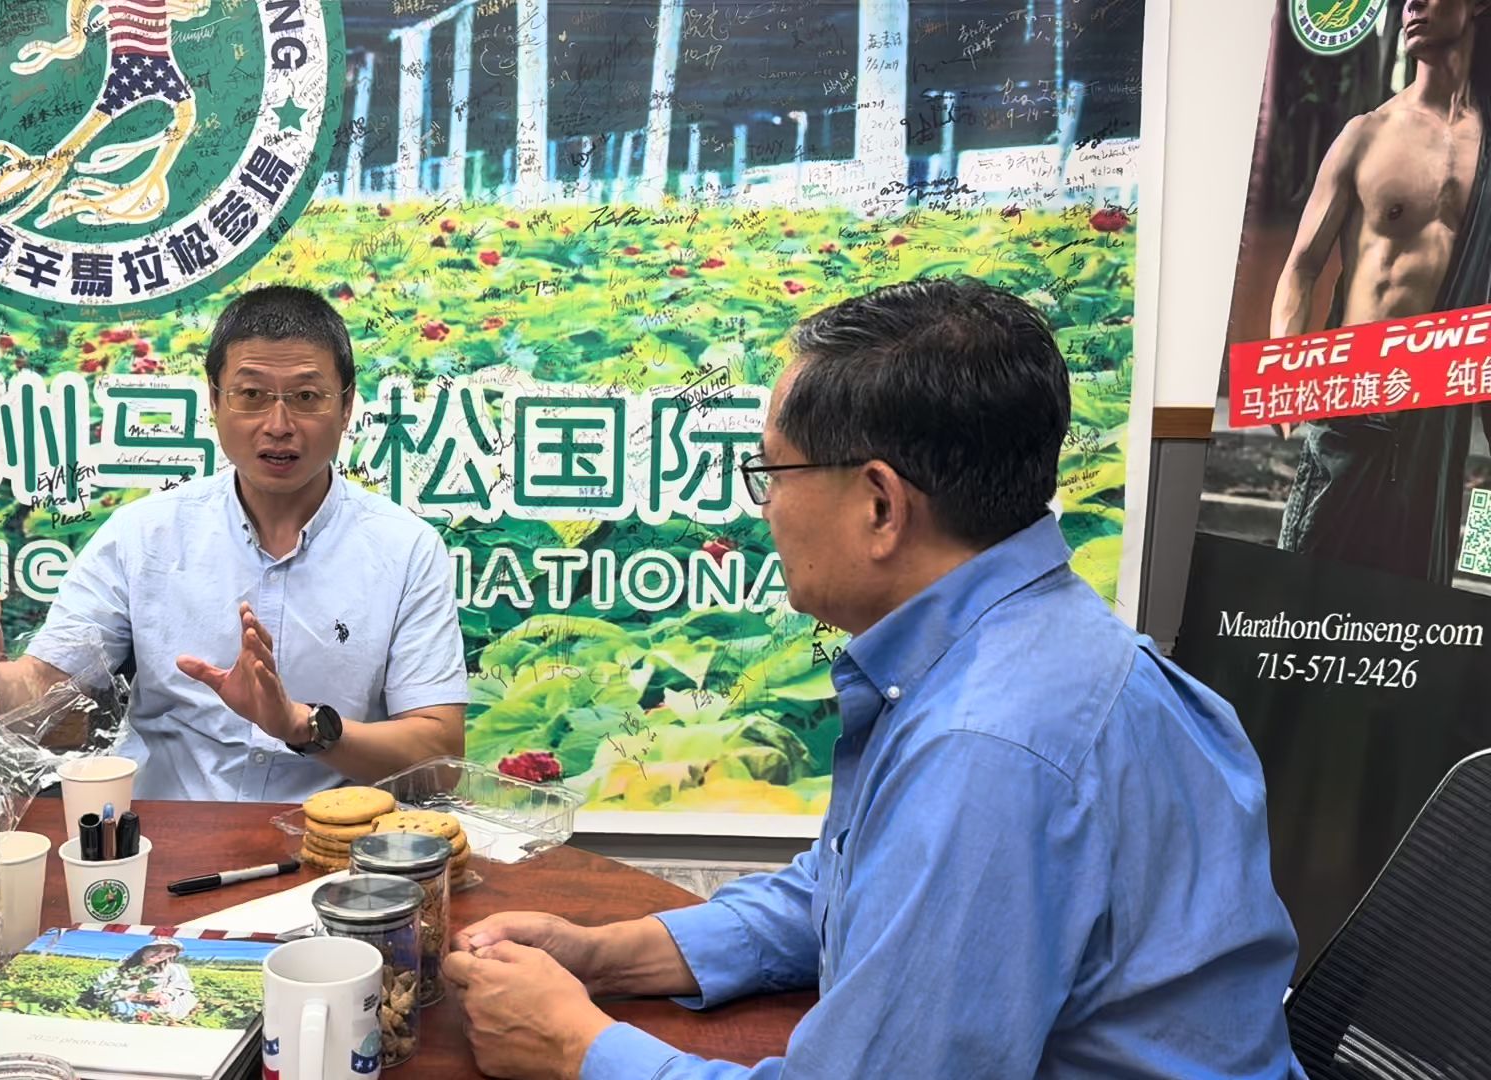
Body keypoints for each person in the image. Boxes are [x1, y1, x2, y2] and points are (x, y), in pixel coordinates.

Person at [443, 279, 1306, 1079]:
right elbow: (849, 889)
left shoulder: (989, 751)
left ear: (881, 505)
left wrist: (575, 1046)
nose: (765, 509)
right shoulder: (1020, 649)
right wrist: (606, 955)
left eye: (771, 473)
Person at [0, 286, 468, 800]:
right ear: (215, 400)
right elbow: (46, 681)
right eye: (252, 395)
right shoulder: (143, 534)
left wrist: (301, 725)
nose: (278, 425)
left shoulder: (406, 550)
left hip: (329, 833)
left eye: (307, 397)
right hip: (167, 830)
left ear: (346, 405)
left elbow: (440, 758)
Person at [1274, 0, 1491, 582]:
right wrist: (1287, 377)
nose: (1412, 4)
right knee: (1300, 601)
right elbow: (1301, 267)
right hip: (1353, 412)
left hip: (1436, 434)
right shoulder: (1366, 135)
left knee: (1411, 614)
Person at [83, 938, 198, 1022]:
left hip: (164, 1007)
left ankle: (157, 1018)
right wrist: (137, 997)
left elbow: (182, 987)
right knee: (118, 1007)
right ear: (144, 950)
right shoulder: (116, 972)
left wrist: (163, 995)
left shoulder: (174, 969)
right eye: (156, 949)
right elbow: (101, 991)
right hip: (129, 1004)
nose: (160, 954)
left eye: (168, 951)